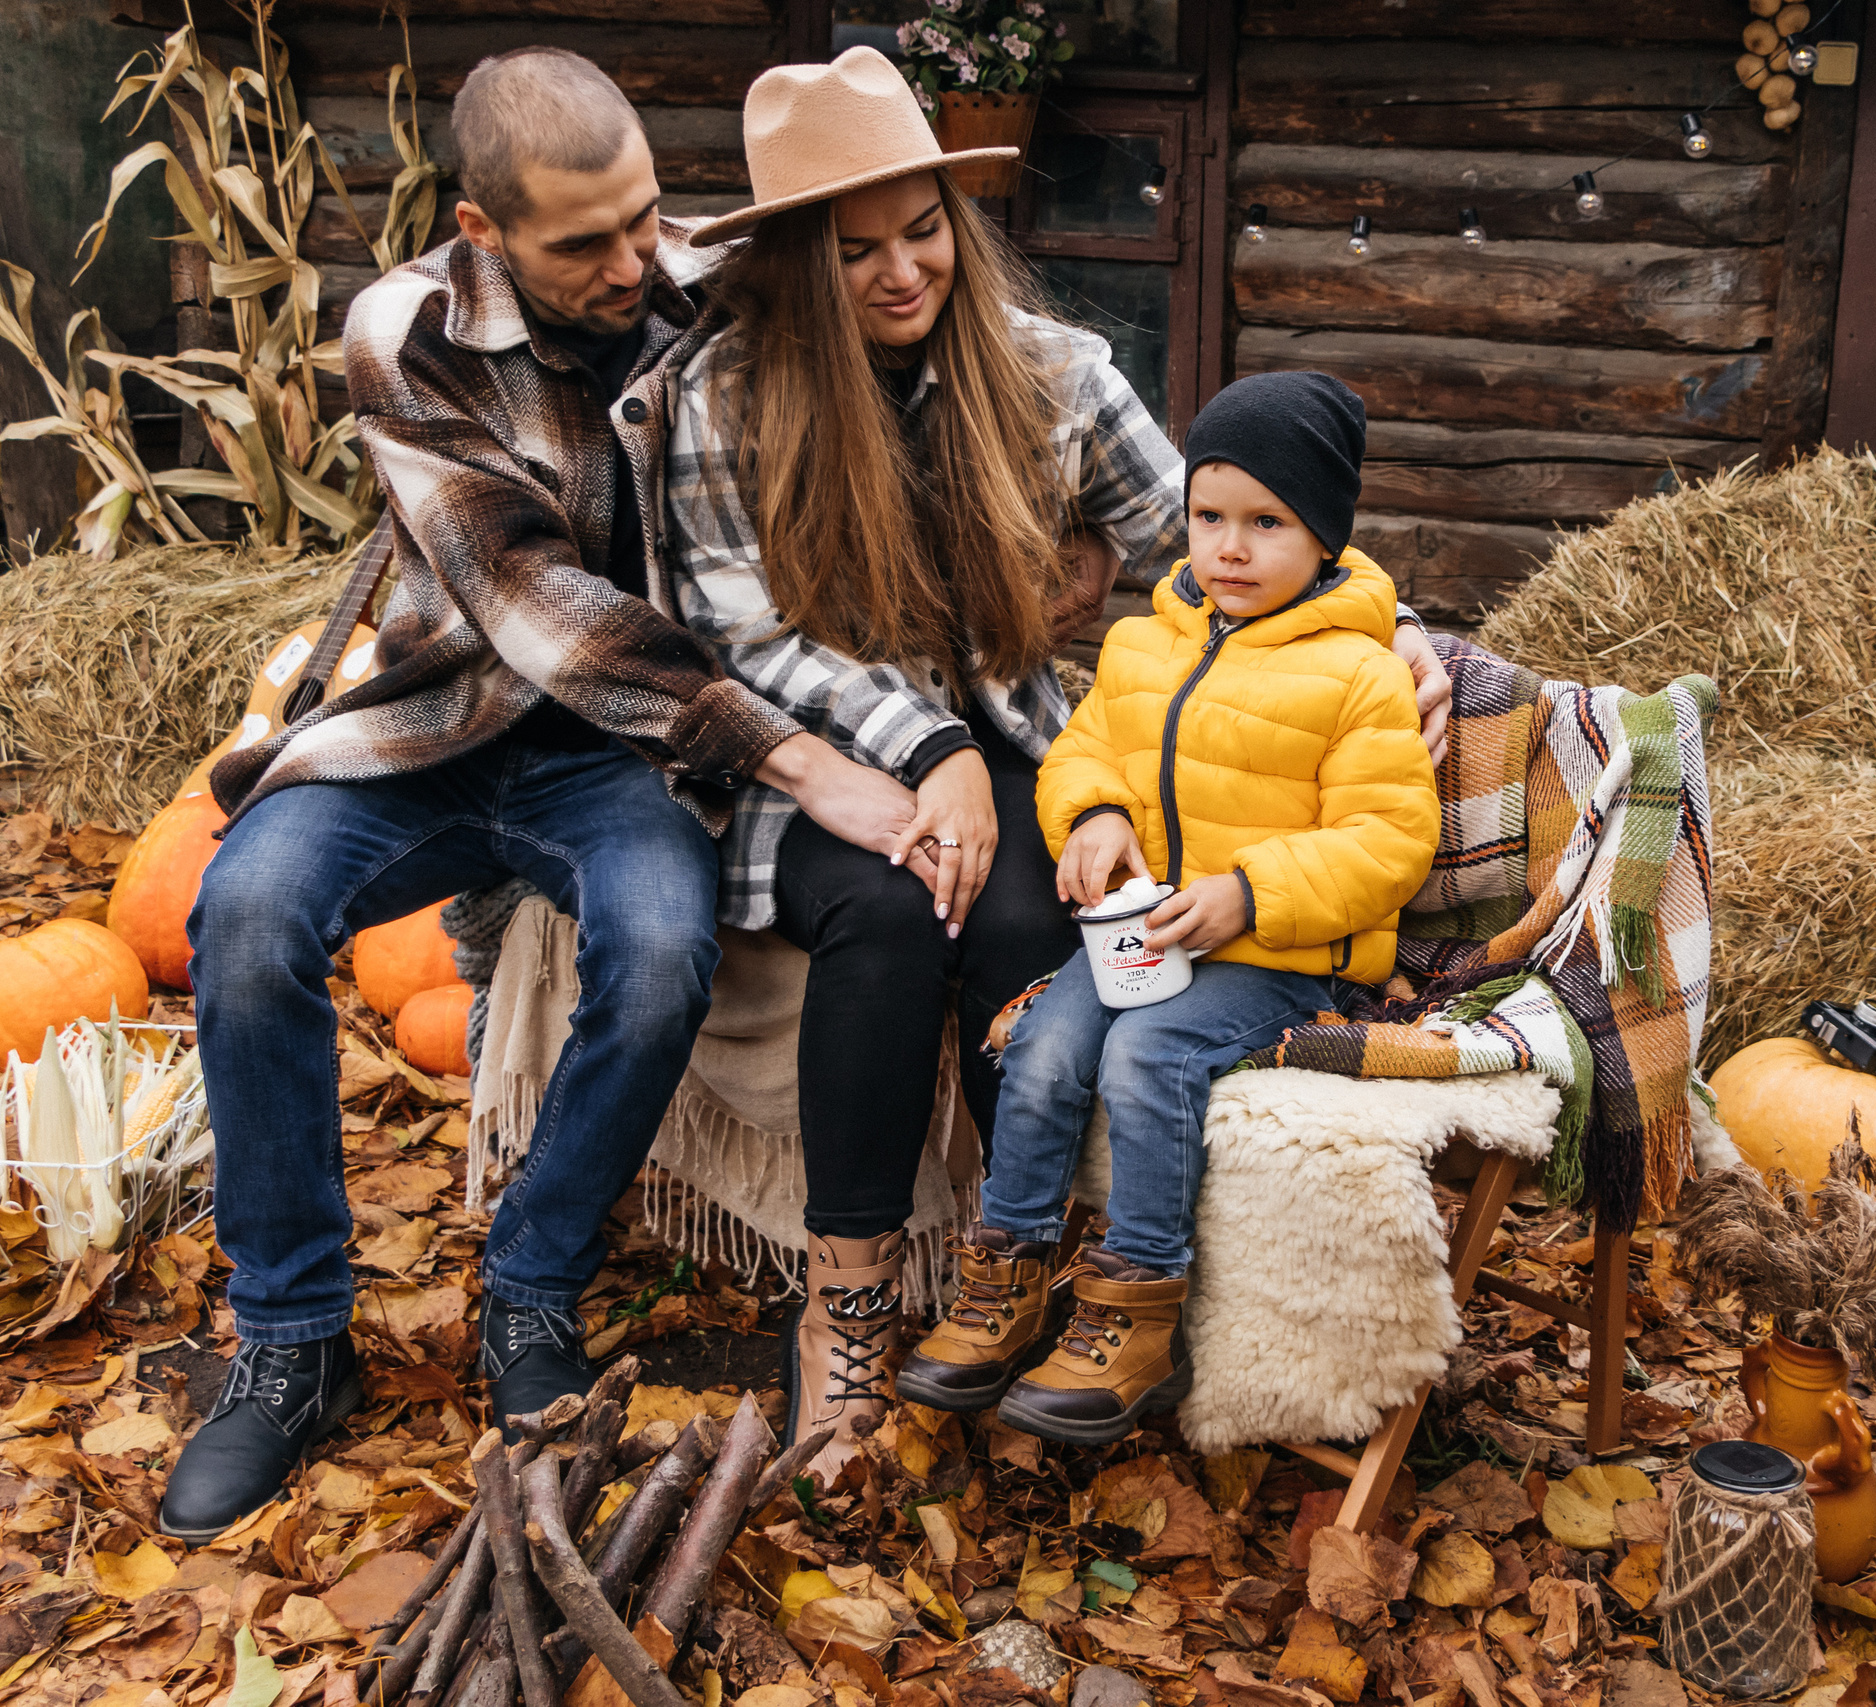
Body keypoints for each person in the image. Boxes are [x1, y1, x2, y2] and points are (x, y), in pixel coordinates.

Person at [155, 48, 930, 1542]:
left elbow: (945, 311)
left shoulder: (700, 278)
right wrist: (793, 753)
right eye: (585, 243)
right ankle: (294, 1336)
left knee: (658, 949)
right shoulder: (408, 330)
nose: (633, 264)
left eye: (645, 220)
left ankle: (530, 1283)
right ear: (481, 226)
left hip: (621, 755)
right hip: (438, 718)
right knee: (241, 911)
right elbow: (535, 601)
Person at [662, 46, 1453, 1463]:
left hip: (1025, 745)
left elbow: (1225, 527)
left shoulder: (1049, 373)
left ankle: (1025, 1264)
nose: (905, 273)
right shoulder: (724, 399)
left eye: (924, 233)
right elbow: (750, 636)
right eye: (857, 252)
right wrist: (934, 744)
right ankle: (846, 1299)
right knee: (900, 917)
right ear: (792, 263)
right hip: (822, 755)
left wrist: (1383, 626)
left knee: (1035, 918)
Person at [897, 371, 1440, 1446]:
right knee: (1045, 1049)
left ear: (1326, 539)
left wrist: (1249, 895)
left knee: (1149, 1056)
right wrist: (1093, 815)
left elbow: (1388, 844)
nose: (1229, 548)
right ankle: (1006, 1280)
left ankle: (1134, 1308)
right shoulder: (1145, 645)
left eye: (1266, 523)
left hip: (1273, 956)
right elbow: (1080, 755)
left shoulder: (1357, 675)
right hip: (1141, 938)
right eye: (1208, 518)